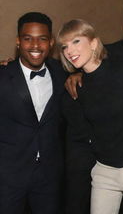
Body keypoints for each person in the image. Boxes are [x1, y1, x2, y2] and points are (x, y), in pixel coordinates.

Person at [58, 19, 123, 214]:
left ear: (94, 43)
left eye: (76, 41)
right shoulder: (77, 87)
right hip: (104, 171)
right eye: (64, 46)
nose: (69, 51)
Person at [0, 12, 67, 214]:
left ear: (51, 42)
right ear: (18, 41)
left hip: (49, 174)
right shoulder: (3, 75)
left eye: (42, 39)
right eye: (28, 38)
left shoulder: (61, 72)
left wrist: (78, 74)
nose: (35, 46)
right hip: (8, 175)